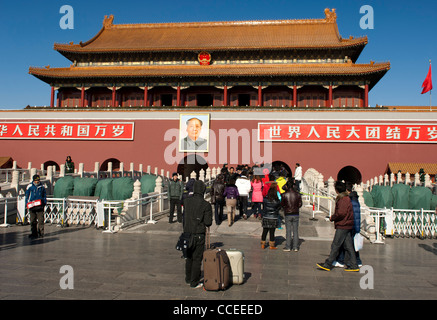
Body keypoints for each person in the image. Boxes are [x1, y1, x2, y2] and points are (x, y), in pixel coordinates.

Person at [316, 181, 359, 272]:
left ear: (336, 190)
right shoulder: (346, 198)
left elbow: (341, 213)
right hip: (347, 224)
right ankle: (354, 265)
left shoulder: (343, 199)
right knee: (348, 246)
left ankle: (328, 264)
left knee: (336, 245)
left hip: (343, 225)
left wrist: (333, 217)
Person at [183, 180, 212, 288]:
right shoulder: (206, 205)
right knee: (197, 259)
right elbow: (208, 222)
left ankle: (188, 278)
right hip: (199, 234)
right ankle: (194, 282)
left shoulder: (187, 201)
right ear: (203, 191)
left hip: (187, 233)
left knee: (189, 257)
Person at [333, 183, 363, 267]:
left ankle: (341, 261)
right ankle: (357, 261)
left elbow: (345, 213)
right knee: (352, 244)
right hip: (354, 224)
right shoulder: (355, 199)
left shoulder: (349, 200)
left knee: (346, 244)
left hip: (350, 225)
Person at [281, 179, 302, 252]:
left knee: (288, 231)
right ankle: (295, 247)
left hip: (288, 214)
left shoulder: (284, 194)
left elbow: (282, 204)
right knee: (295, 231)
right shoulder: (298, 194)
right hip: (296, 213)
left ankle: (288, 246)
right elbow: (300, 204)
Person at [25, 175, 47, 239]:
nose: (37, 181)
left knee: (41, 220)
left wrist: (44, 202)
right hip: (32, 205)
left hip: (40, 205)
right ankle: (34, 233)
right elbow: (27, 196)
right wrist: (27, 204)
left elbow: (44, 195)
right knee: (32, 220)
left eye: (38, 180)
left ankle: (41, 233)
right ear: (33, 180)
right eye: (36, 180)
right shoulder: (30, 186)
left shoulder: (42, 187)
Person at [261, 184, 281, 250]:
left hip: (266, 216)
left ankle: (263, 244)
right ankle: (271, 245)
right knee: (272, 232)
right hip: (273, 217)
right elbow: (279, 208)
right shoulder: (277, 201)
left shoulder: (265, 199)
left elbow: (263, 207)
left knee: (265, 231)